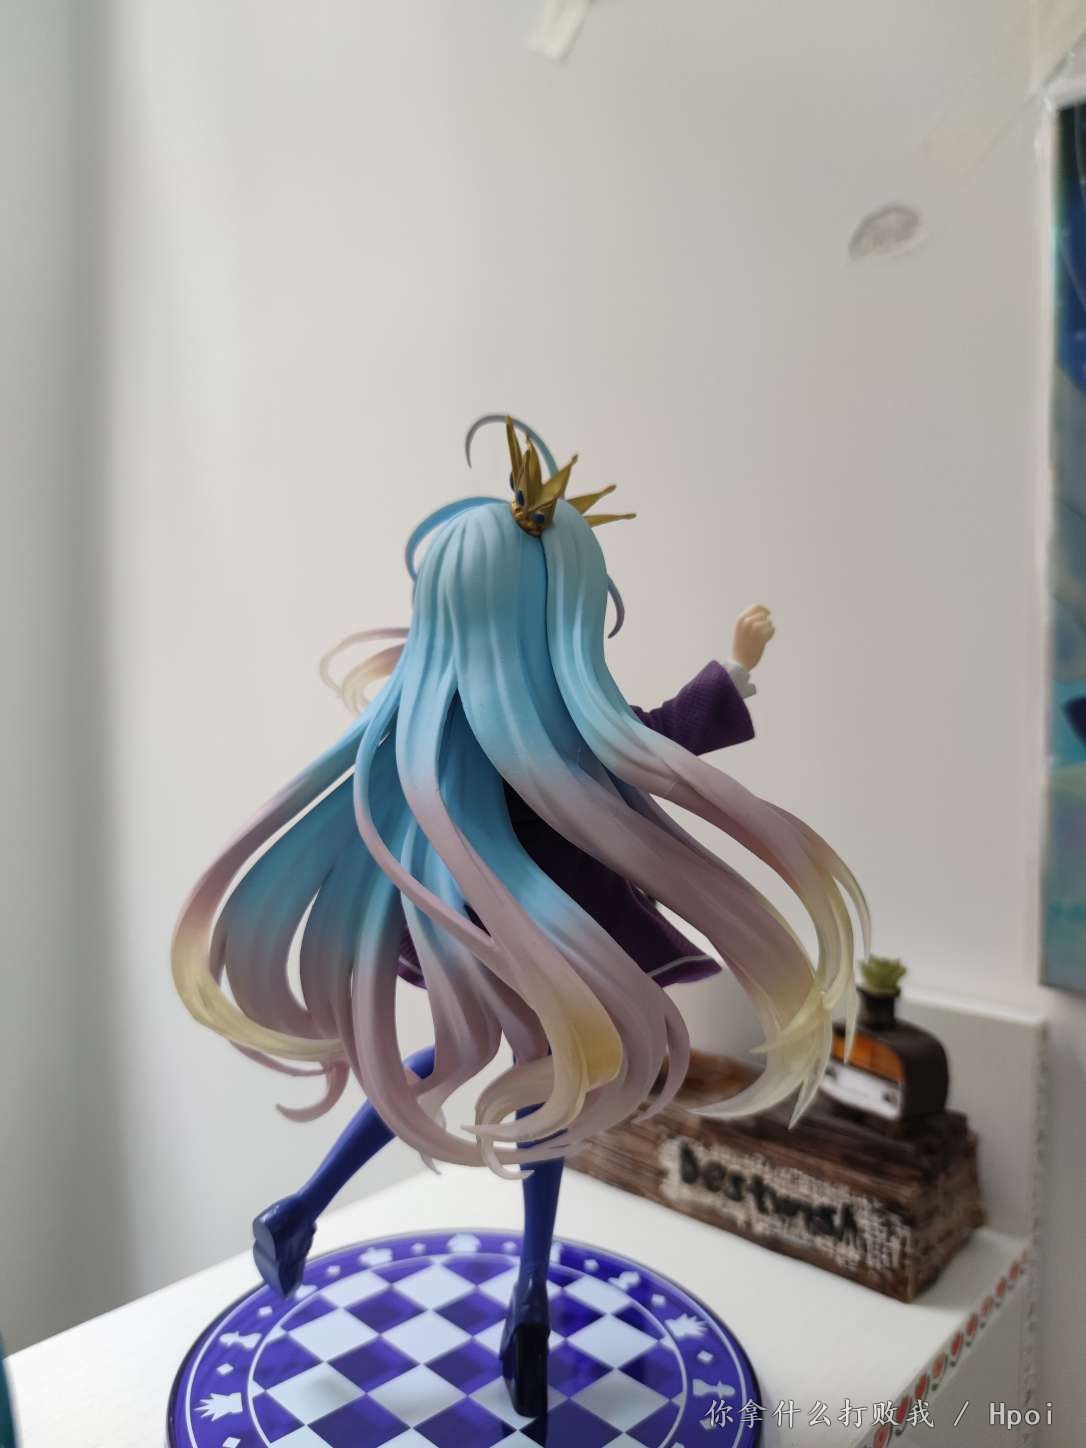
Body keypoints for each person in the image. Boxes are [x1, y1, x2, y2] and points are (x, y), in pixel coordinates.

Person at [173, 416, 866, 1414]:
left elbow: (648, 741)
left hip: (486, 928)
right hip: (543, 934)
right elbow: (663, 738)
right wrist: (739, 665)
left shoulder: (440, 728)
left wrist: (735, 671)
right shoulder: (544, 733)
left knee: (478, 1066)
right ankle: (528, 1293)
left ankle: (304, 1209)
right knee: (545, 1083)